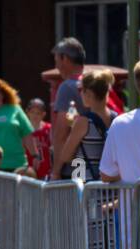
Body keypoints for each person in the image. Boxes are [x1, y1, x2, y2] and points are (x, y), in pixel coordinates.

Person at [52, 70, 113, 181]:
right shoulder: (116, 118)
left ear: (88, 93)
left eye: (81, 90)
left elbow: (65, 156)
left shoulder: (83, 122)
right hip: (111, 187)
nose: (80, 94)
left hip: (87, 188)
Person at [51, 37, 87, 170]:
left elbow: (62, 132)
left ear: (64, 59)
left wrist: (56, 172)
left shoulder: (68, 87)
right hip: (99, 164)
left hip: (77, 165)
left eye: (56, 61)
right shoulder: (93, 84)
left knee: (78, 191)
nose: (56, 67)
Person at [25, 98, 52, 178]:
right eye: (32, 112)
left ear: (43, 114)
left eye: (38, 113)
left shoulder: (49, 129)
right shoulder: (24, 130)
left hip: (46, 171)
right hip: (29, 172)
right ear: (27, 113)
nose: (35, 115)